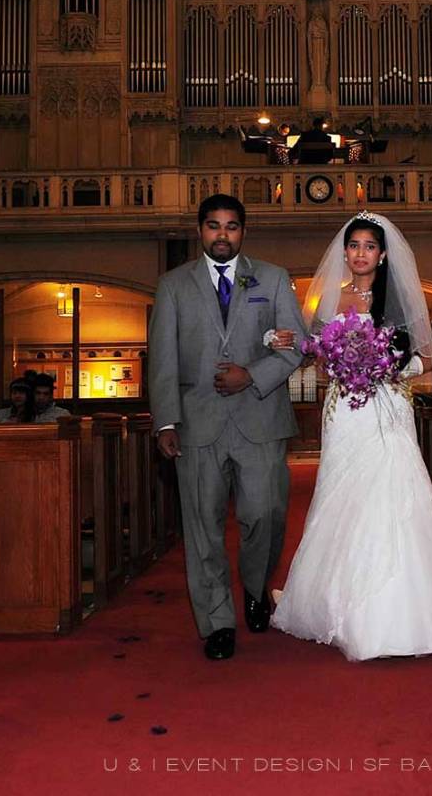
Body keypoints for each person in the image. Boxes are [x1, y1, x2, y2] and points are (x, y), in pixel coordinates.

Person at [270, 210, 432, 661]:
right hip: (344, 415)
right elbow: (319, 359)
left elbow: (426, 364)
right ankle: (335, 605)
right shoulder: (330, 301)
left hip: (386, 409)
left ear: (383, 253)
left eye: (370, 246)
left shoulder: (398, 302)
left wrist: (384, 366)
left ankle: (399, 614)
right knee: (341, 496)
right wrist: (336, 362)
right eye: (354, 246)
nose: (361, 254)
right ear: (345, 252)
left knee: (391, 496)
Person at [148, 194, 306, 661]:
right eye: (213, 226)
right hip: (196, 425)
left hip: (260, 419)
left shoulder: (273, 279)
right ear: (200, 230)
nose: (222, 234)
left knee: (266, 515)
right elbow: (162, 358)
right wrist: (166, 421)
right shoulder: (173, 285)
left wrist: (251, 376)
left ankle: (257, 589)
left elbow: (294, 347)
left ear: (243, 231)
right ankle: (218, 622)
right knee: (203, 529)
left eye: (232, 226)